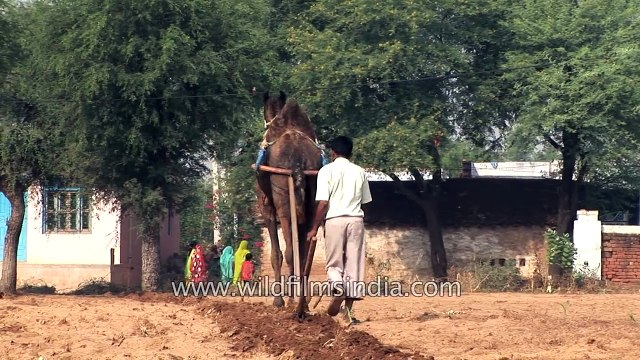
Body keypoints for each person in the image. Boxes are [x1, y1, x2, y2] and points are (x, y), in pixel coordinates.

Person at [306, 135, 372, 323]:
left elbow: (323, 203)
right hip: (355, 220)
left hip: (334, 220)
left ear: (333, 153)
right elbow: (365, 202)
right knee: (354, 265)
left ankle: (337, 287)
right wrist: (358, 216)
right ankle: (348, 313)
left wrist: (314, 228)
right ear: (350, 152)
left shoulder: (326, 171)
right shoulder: (360, 172)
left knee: (334, 263)